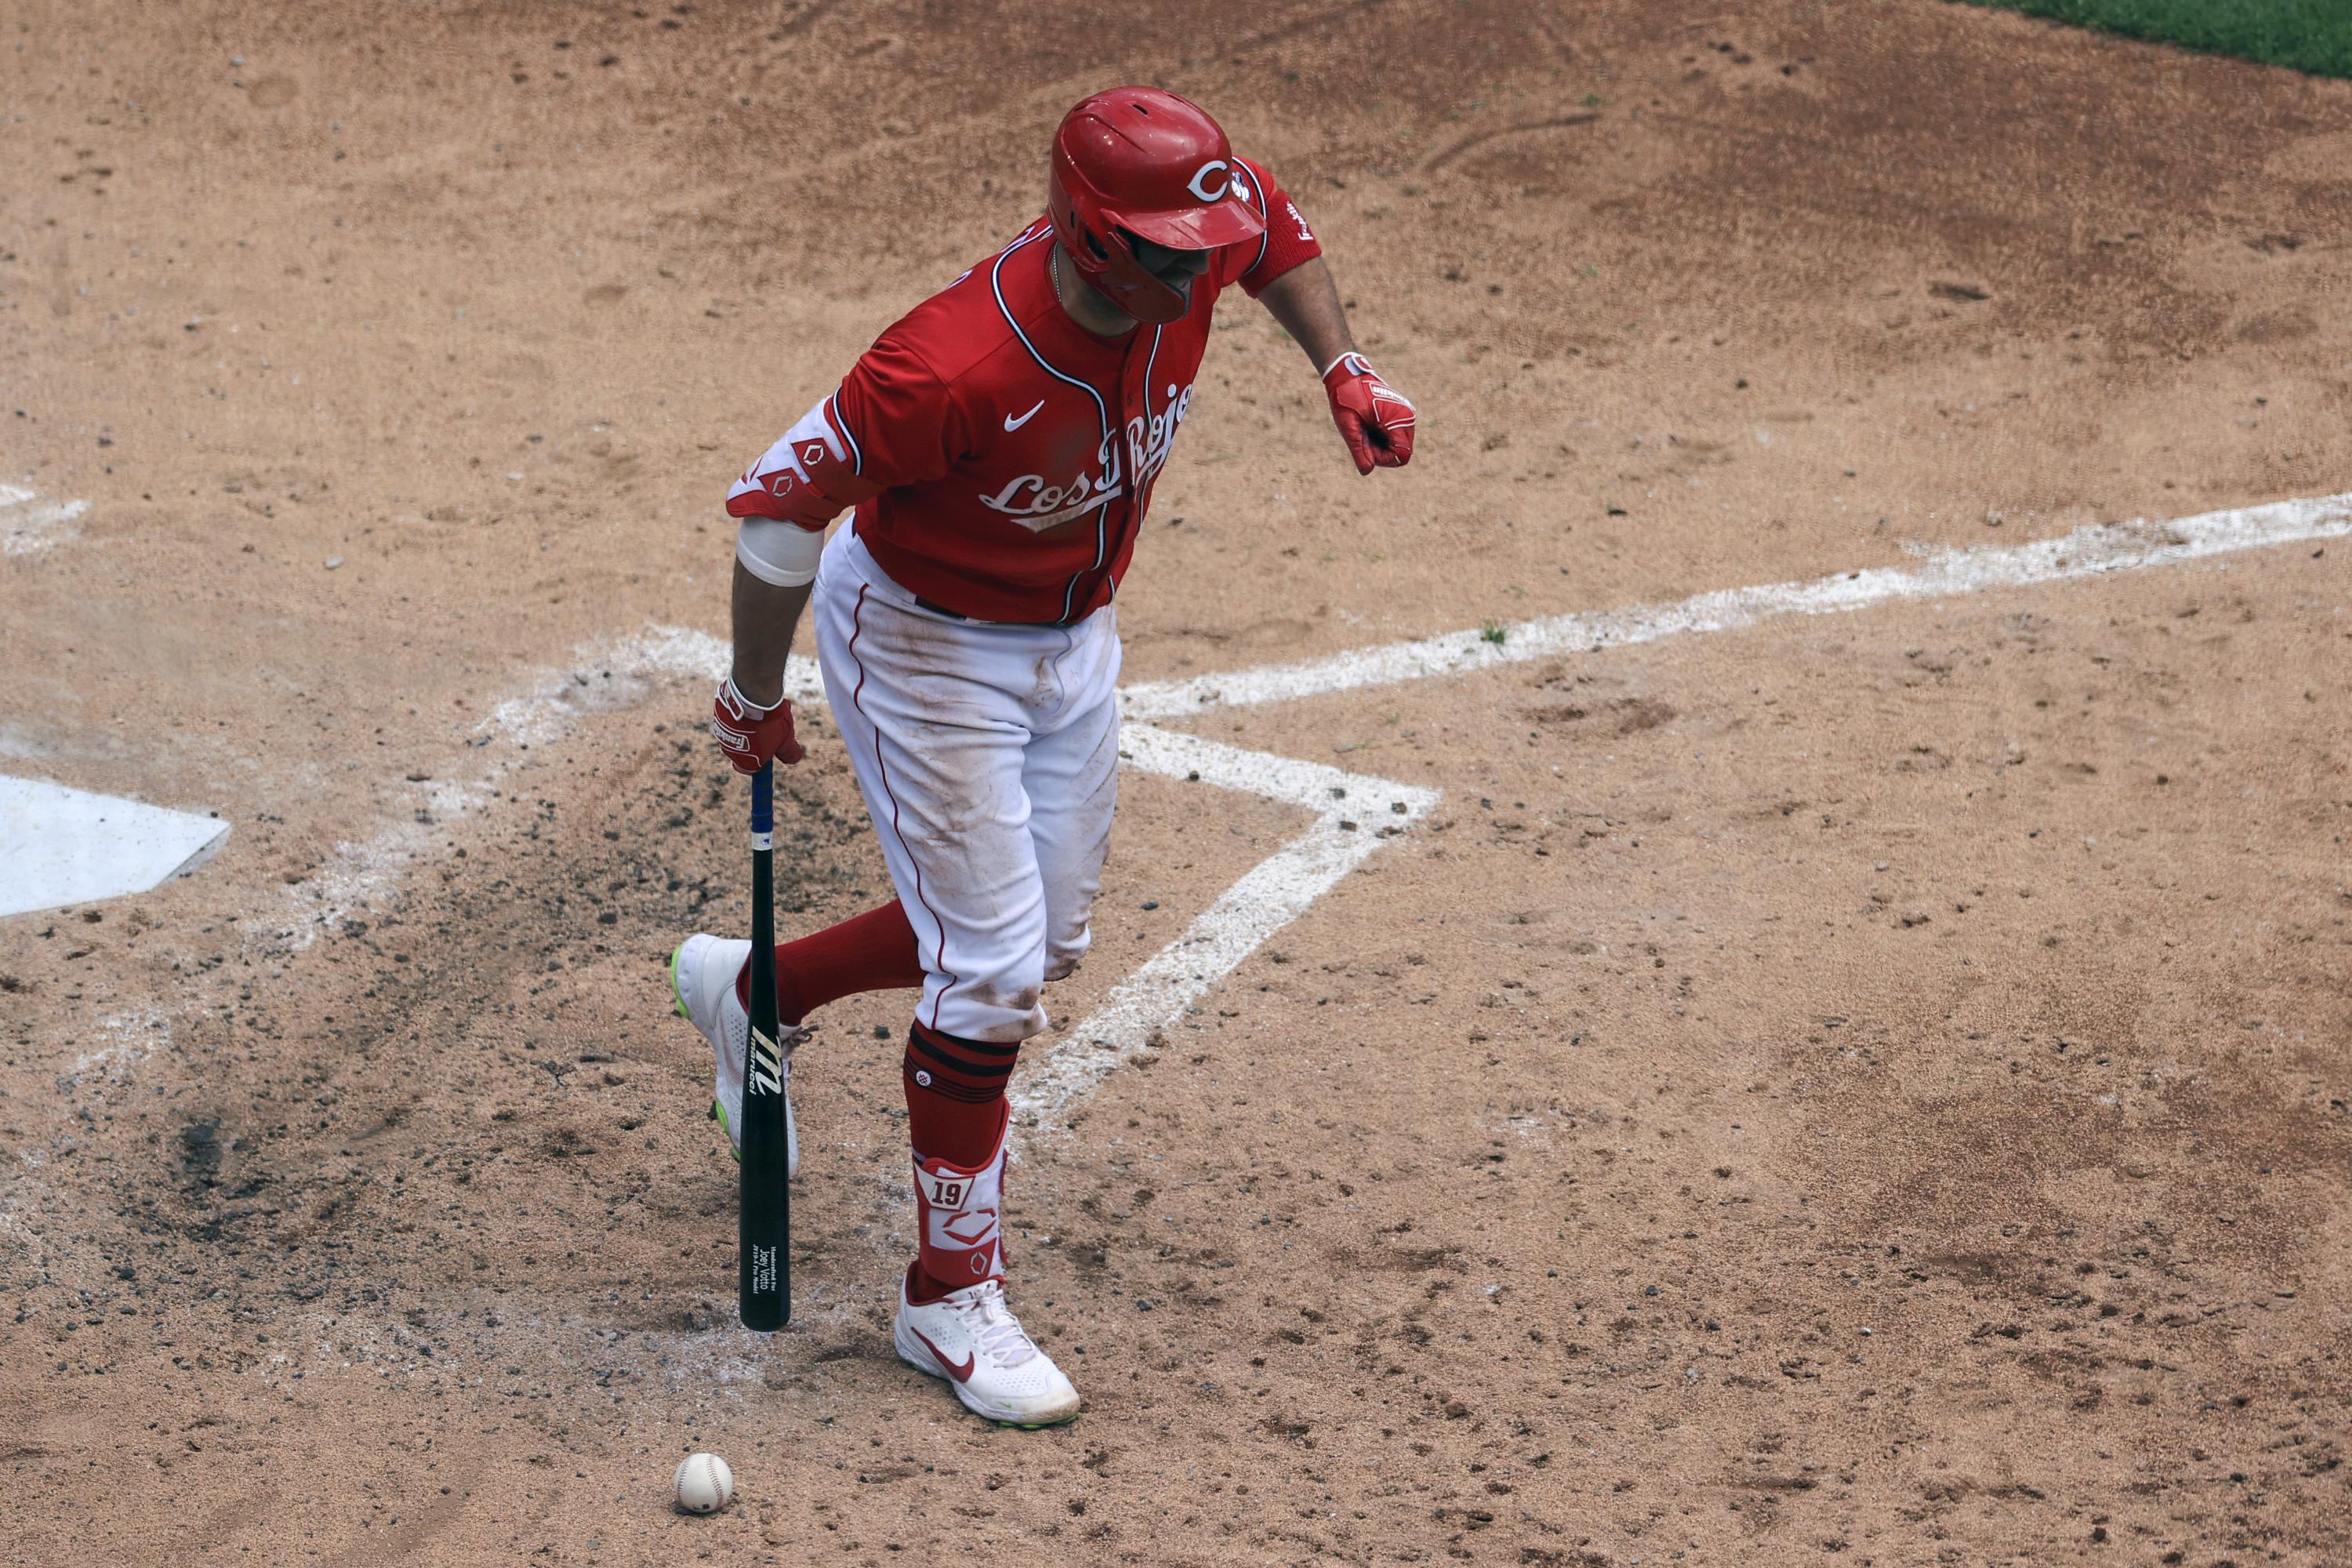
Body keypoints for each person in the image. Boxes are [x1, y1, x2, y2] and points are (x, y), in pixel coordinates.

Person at [667, 85, 1415, 1428]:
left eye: (1205, 248)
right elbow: (780, 516)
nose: (1201, 274)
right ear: (1094, 237)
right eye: (1174, 258)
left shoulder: (1195, 247)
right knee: (996, 971)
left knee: (1037, 937)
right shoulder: (948, 366)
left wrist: (1341, 367)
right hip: (925, 647)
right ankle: (947, 1299)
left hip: (1074, 638)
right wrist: (750, 687)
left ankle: (758, 991)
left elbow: (1282, 232)